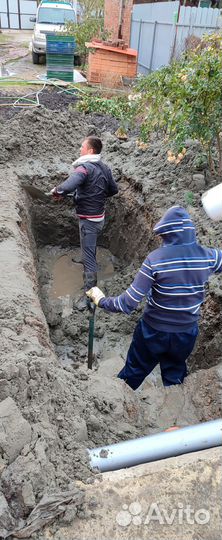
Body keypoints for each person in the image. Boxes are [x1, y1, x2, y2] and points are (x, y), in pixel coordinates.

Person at [86, 205, 222, 390]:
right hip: (186, 334)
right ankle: (173, 403)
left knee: (134, 370)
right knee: (175, 374)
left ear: (166, 234)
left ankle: (120, 400)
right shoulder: (209, 257)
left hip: (153, 332)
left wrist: (101, 300)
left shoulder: (155, 260)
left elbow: (127, 303)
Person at [51, 136, 118, 309]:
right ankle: (88, 258)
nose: (80, 149)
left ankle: (89, 297)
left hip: (88, 221)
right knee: (89, 247)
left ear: (90, 150)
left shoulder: (84, 168)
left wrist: (57, 190)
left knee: (89, 259)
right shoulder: (104, 168)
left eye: (82, 147)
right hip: (99, 218)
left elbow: (69, 185)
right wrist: (93, 196)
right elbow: (113, 189)